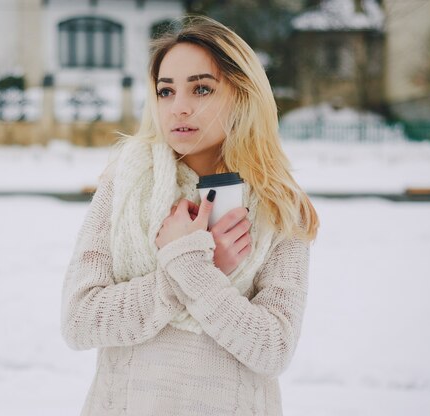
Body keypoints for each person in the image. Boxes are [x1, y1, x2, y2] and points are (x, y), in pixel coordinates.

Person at [61, 15, 319, 416]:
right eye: (166, 91)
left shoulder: (280, 207)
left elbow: (273, 349)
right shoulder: (125, 185)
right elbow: (79, 321)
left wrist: (193, 268)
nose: (179, 108)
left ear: (242, 94)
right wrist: (188, 269)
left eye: (201, 89)